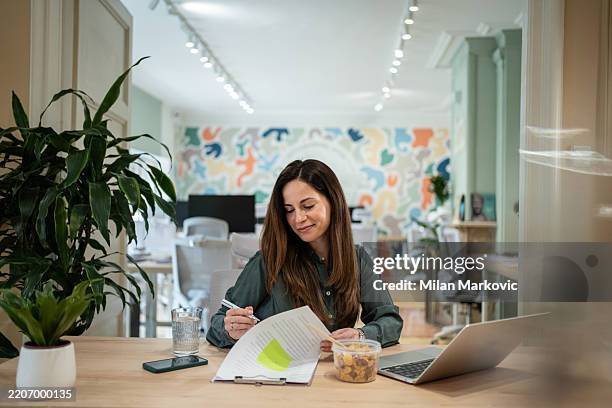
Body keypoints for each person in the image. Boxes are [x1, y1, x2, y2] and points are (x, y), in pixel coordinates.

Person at [206, 159, 403, 351]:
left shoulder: (357, 258)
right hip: (277, 375)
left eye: (308, 206)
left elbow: (390, 320)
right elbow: (216, 325)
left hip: (333, 375)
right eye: (289, 210)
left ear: (333, 202)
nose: (298, 219)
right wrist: (231, 329)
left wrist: (361, 336)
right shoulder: (269, 261)